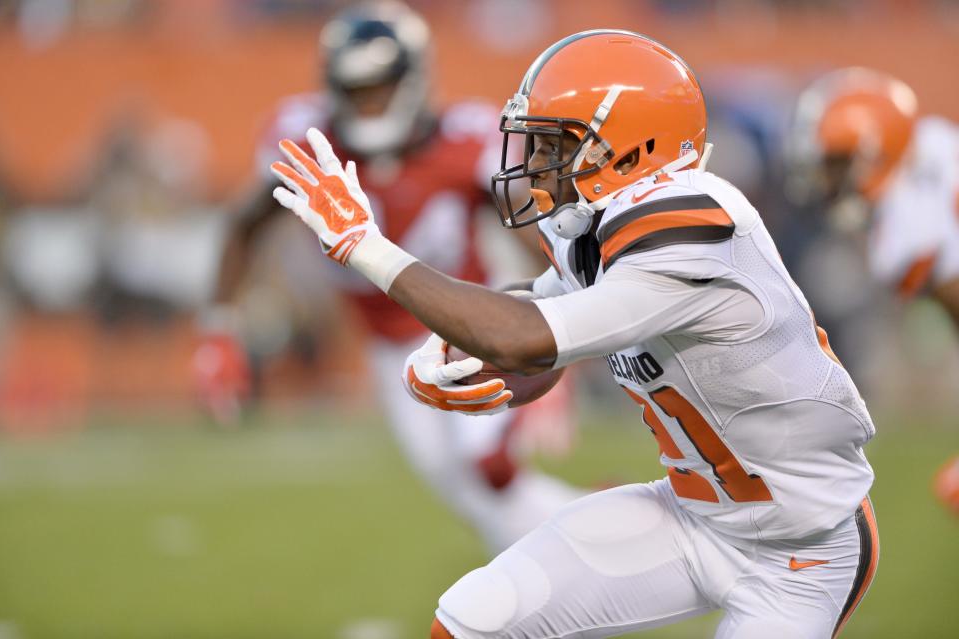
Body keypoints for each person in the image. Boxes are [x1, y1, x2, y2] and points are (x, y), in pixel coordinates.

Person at [271, 29, 878, 638]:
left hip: (803, 551)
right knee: (471, 620)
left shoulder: (691, 227)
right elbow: (535, 331)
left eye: (553, 144)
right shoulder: (591, 222)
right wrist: (451, 358)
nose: (534, 164)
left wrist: (365, 247)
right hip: (691, 515)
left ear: (631, 149)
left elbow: (528, 340)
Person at [194, 0, 582, 553]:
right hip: (389, 345)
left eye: (378, 86)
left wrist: (553, 339)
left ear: (413, 79)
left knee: (488, 465)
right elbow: (245, 222)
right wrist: (219, 328)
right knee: (461, 486)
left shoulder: (464, 139)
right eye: (355, 90)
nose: (368, 102)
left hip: (475, 321)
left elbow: (538, 236)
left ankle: (564, 570)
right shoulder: (306, 137)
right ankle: (593, 529)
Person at [790, 67, 959, 515]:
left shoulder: (908, 234)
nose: (825, 180)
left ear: (869, 152)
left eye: (833, 163)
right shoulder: (936, 147)